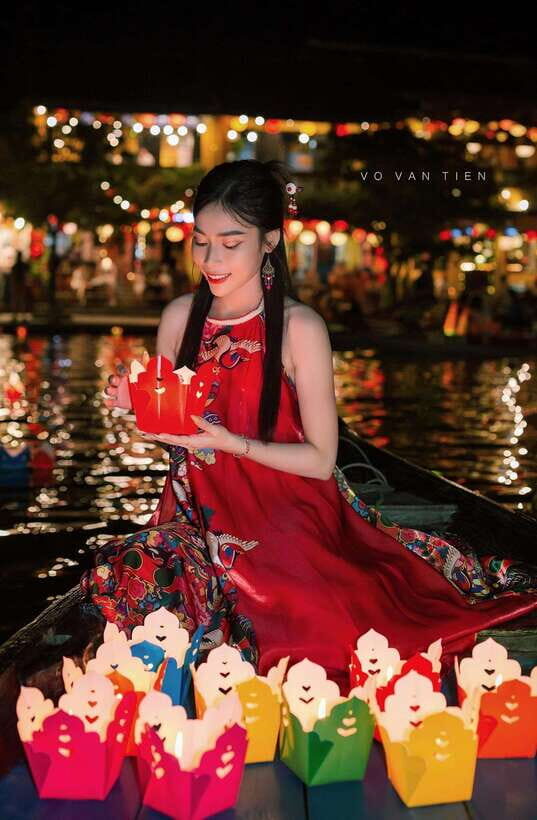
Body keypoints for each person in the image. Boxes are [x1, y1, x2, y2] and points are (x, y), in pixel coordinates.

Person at [81, 159, 537, 693]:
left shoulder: (300, 328)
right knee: (127, 569)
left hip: (287, 513)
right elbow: (176, 436)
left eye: (231, 242)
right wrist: (138, 410)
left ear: (270, 239)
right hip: (195, 514)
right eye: (201, 241)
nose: (211, 258)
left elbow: (321, 458)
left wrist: (232, 442)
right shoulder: (180, 318)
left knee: (300, 628)